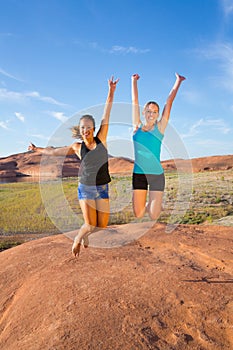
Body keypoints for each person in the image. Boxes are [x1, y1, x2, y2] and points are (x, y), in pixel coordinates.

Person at [28, 76, 119, 257]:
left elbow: (107, 112)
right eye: (83, 127)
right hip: (85, 187)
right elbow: (54, 152)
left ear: (93, 128)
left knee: (101, 225)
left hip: (102, 187)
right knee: (90, 224)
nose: (86, 130)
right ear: (80, 129)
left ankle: (86, 235)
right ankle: (78, 238)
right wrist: (36, 148)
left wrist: (111, 91)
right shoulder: (77, 147)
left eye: (89, 127)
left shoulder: (102, 138)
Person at [131, 72, 186, 220]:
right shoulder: (137, 126)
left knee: (154, 216)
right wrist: (134, 81)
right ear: (144, 112)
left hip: (156, 175)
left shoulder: (160, 128)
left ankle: (153, 203)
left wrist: (178, 82)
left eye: (155, 112)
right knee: (138, 214)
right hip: (139, 174)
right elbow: (134, 101)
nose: (151, 114)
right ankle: (147, 202)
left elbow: (169, 102)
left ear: (157, 114)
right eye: (149, 111)